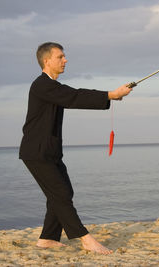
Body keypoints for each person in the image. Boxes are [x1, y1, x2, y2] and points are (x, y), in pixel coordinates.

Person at [19, 42, 132, 254]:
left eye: (64, 56)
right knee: (60, 193)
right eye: (60, 57)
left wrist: (112, 95)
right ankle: (86, 239)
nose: (65, 60)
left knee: (64, 192)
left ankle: (47, 238)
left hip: (50, 151)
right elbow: (74, 96)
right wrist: (111, 95)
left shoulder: (51, 86)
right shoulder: (42, 85)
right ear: (47, 61)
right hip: (37, 152)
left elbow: (72, 95)